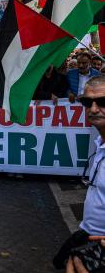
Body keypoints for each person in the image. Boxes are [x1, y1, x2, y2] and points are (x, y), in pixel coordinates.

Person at [53, 75, 105, 270]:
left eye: (102, 102)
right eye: (86, 102)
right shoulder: (99, 144)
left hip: (99, 239)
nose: (93, 109)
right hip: (86, 230)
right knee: (61, 262)